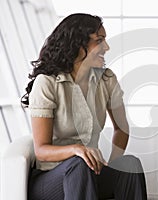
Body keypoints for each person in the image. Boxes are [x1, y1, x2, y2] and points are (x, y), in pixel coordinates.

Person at [21, 13, 147, 200]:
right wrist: (76, 149)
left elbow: (122, 128)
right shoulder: (47, 83)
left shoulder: (107, 79)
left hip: (88, 172)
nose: (106, 47)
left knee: (129, 165)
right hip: (51, 178)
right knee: (78, 164)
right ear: (77, 45)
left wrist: (112, 164)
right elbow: (41, 150)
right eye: (99, 40)